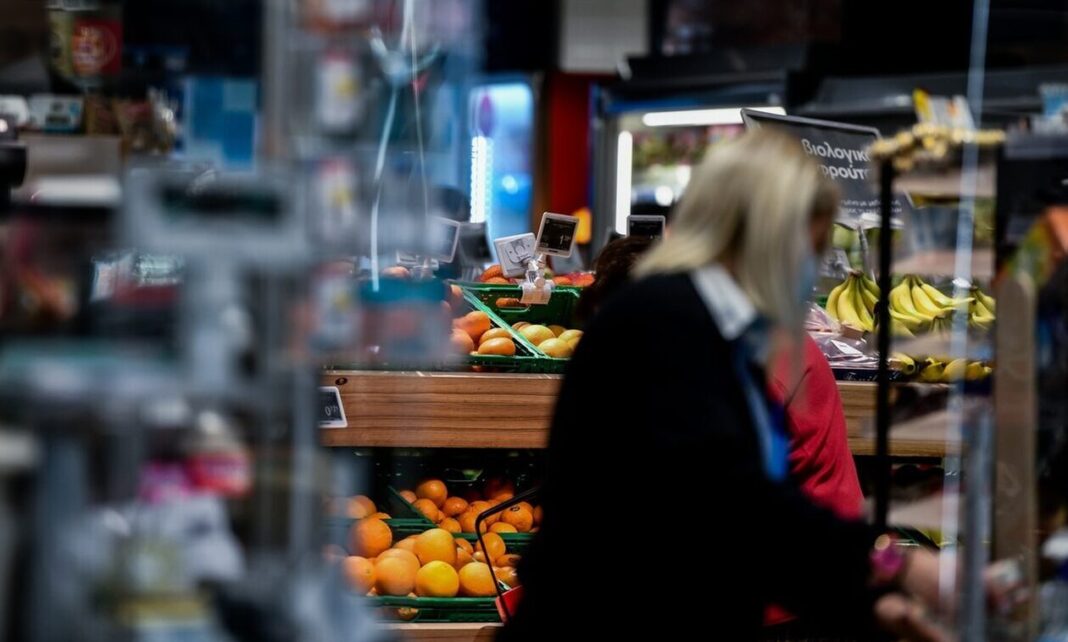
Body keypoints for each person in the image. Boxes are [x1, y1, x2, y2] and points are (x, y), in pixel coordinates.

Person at [499, 130, 958, 641]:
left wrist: (870, 601)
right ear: (764, 235)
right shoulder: (662, 324)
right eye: (810, 246)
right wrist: (894, 566)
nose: (812, 269)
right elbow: (732, 501)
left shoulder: (719, 331)